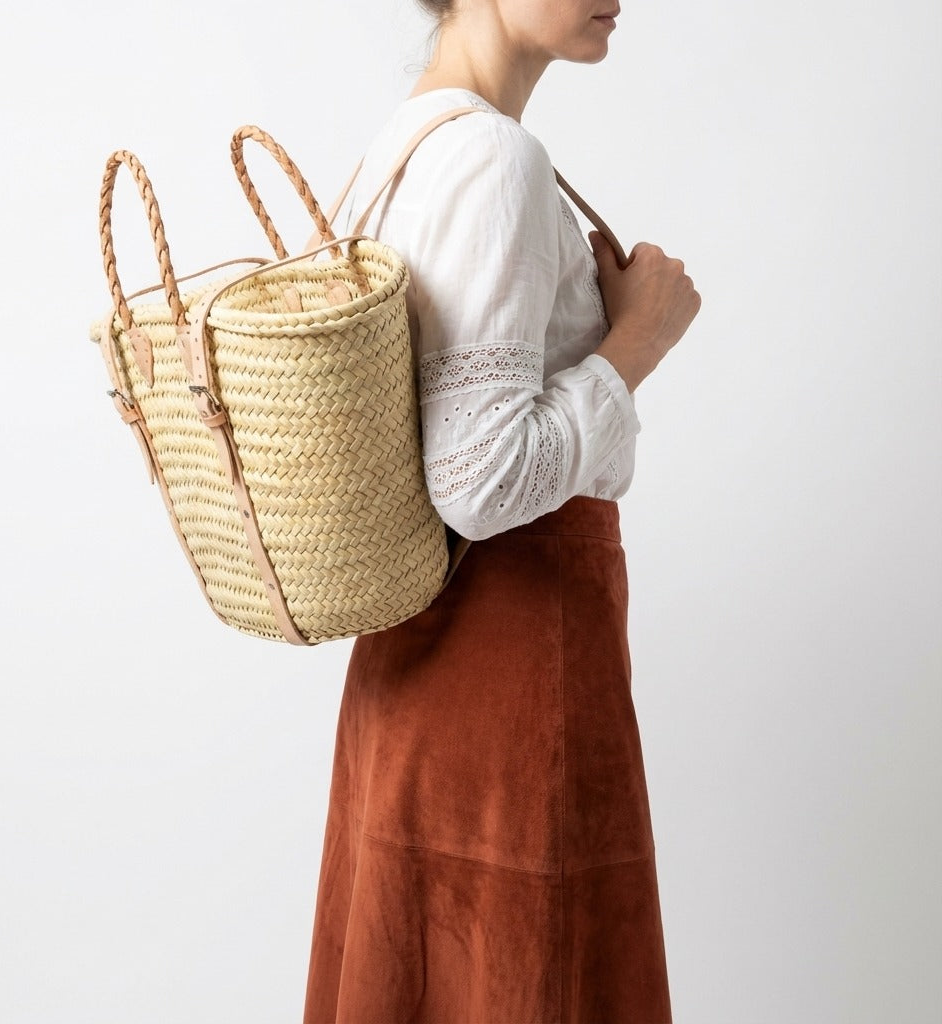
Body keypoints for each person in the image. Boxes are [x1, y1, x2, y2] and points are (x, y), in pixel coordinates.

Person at [303, 1, 700, 1020]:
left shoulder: (404, 144)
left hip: (413, 672)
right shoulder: (493, 159)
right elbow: (477, 479)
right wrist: (635, 344)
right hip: (510, 676)